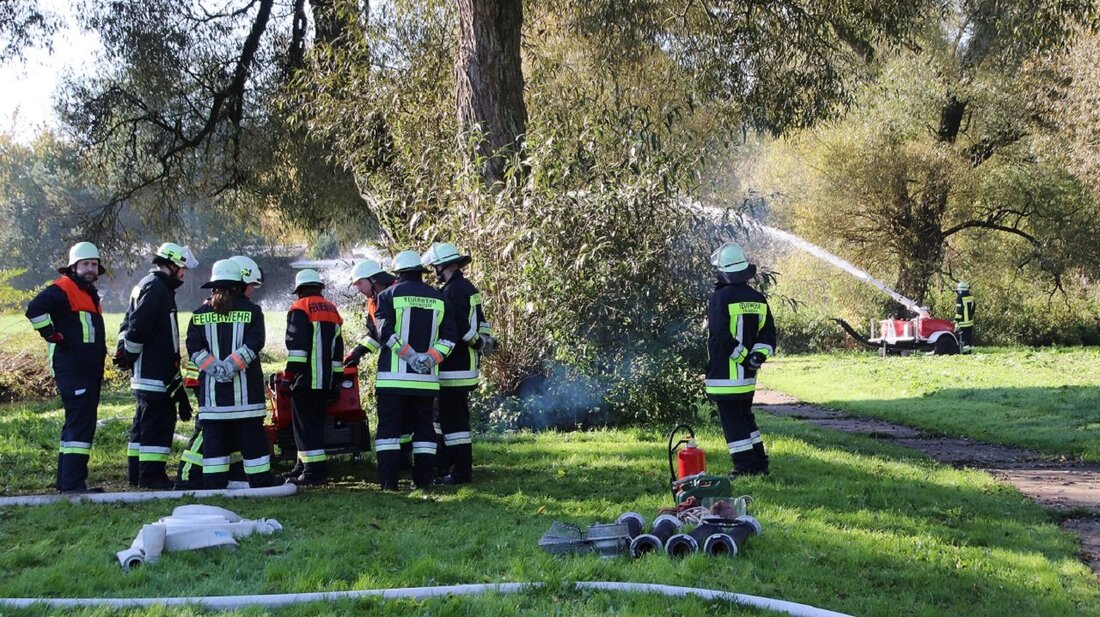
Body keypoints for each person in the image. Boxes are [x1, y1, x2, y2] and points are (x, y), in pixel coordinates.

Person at [185, 259, 281, 489]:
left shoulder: (199, 314)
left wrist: (215, 369)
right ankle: (259, 483)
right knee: (253, 444)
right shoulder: (253, 311)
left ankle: (214, 485)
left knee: (215, 448)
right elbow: (254, 344)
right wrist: (230, 367)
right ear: (239, 284)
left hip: (213, 402)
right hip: (247, 401)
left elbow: (194, 349)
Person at [25, 242, 108, 494]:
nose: (91, 269)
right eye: (85, 265)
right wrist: (51, 335)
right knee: (80, 424)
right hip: (74, 369)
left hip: (87, 369)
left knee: (78, 423)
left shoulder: (88, 292)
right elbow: (34, 310)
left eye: (94, 264)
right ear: (73, 267)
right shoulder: (63, 288)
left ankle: (68, 483)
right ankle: (73, 485)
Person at [372, 250, 459, 490]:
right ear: (421, 272)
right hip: (425, 381)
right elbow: (450, 337)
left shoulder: (387, 295)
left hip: (393, 380)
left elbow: (385, 332)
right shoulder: (439, 298)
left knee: (389, 433)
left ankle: (389, 484)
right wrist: (429, 358)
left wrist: (409, 355)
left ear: (397, 273)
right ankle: (422, 482)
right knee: (424, 433)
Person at [115, 242, 197, 489]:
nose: (184, 273)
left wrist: (125, 350)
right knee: (159, 423)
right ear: (170, 265)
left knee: (142, 424)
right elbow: (138, 326)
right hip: (153, 372)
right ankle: (151, 477)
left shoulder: (148, 285)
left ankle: (136, 474)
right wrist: (128, 353)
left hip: (148, 371)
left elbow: (126, 323)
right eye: (182, 268)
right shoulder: (157, 288)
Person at [420, 243, 497, 484]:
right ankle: (446, 467)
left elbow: (461, 328)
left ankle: (461, 472)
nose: (434, 271)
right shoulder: (467, 287)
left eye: (435, 267)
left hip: (454, 366)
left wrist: (477, 343)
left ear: (443, 266)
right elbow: (481, 322)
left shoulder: (452, 292)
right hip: (465, 367)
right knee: (448, 420)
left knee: (454, 424)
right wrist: (485, 341)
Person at [705, 241, 777, 477]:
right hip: (747, 378)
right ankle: (759, 463)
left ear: (724, 272)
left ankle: (744, 466)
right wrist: (756, 356)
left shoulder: (720, 298)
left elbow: (721, 335)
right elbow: (768, 333)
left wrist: (744, 357)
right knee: (745, 417)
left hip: (726, 376)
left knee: (733, 423)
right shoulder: (758, 298)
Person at [342, 260, 415, 467]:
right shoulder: (373, 302)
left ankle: (406, 460)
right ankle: (402, 462)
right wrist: (358, 352)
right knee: (399, 418)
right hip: (393, 364)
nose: (357, 289)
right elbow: (375, 335)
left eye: (359, 284)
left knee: (407, 417)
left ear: (373, 280)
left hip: (410, 360)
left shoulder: (396, 293)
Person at [283, 269, 344, 486]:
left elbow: (297, 350)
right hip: (325, 380)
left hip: (305, 379)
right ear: (320, 288)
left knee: (304, 426)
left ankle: (313, 472)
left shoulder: (299, 307)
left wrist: (288, 377)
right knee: (314, 425)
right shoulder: (332, 309)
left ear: (299, 290)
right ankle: (303, 466)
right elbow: (338, 351)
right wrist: (336, 380)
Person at [954, 281, 975, 352]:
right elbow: (973, 308)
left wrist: (956, 320)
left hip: (962, 322)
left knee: (960, 335)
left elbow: (959, 310)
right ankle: (969, 351)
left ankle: (965, 348)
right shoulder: (971, 297)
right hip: (970, 321)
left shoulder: (959, 298)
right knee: (969, 336)